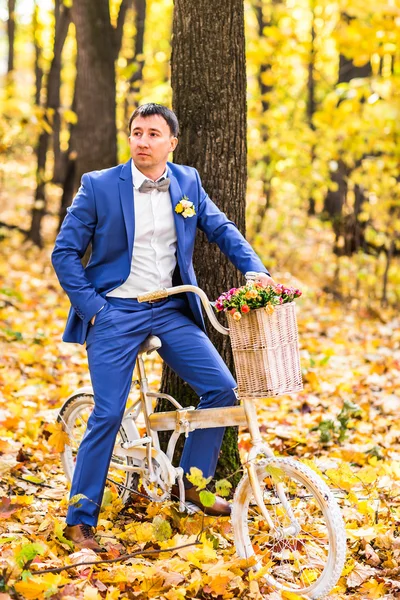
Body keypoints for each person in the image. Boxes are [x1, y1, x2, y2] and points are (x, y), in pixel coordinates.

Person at [52, 103, 273, 551]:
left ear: (171, 142)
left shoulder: (187, 180)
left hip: (170, 308)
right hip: (114, 310)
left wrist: (255, 269)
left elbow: (221, 227)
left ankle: (190, 484)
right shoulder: (97, 186)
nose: (143, 141)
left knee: (222, 390)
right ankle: (79, 519)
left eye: (154, 134)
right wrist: (95, 309)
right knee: (109, 413)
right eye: (136, 132)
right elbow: (64, 254)